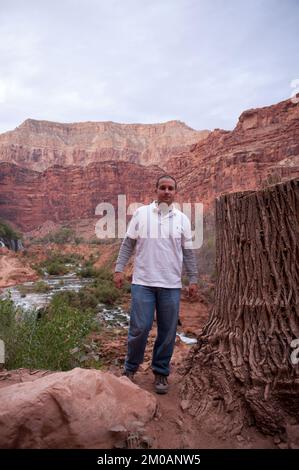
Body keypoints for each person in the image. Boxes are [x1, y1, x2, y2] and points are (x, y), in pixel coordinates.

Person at [114, 175, 198, 394]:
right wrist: (119, 269)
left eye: (171, 188)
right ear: (156, 190)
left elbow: (188, 253)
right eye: (163, 188)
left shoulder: (182, 219)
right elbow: (127, 244)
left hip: (171, 284)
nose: (167, 191)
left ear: (175, 192)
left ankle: (161, 372)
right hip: (143, 282)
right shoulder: (141, 214)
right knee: (139, 328)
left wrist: (193, 279)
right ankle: (130, 368)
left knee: (168, 332)